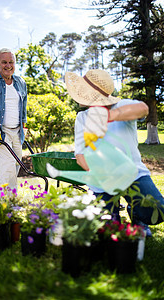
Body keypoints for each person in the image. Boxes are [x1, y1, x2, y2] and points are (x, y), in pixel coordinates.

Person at [65, 69, 164, 237]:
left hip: (133, 175)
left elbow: (143, 109)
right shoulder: (82, 118)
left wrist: (109, 116)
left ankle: (136, 213)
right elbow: (80, 156)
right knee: (107, 231)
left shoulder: (122, 105)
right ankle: (114, 216)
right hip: (102, 180)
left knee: (158, 210)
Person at [0, 48, 27, 193]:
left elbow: (24, 107)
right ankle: (7, 206)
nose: (8, 65)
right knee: (6, 167)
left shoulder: (20, 82)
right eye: (4, 62)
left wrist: (24, 127)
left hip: (17, 131)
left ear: (15, 63)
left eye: (11, 62)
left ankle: (10, 201)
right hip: (0, 131)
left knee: (15, 166)